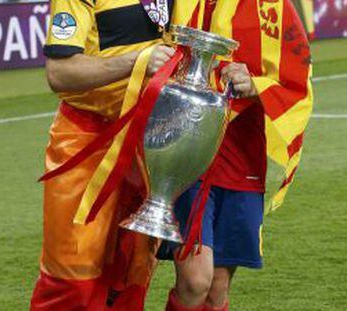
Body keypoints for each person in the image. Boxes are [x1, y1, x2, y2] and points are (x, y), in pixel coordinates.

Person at [30, 0, 312, 310]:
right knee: (74, 277)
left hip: (153, 141)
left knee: (131, 275)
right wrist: (137, 61)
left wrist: (251, 79)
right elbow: (60, 72)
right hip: (88, 142)